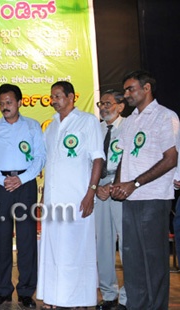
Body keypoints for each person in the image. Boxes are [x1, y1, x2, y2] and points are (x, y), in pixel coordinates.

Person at [111, 70, 179, 310]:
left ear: (147, 88)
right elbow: (123, 158)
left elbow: (171, 159)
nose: (127, 94)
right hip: (130, 199)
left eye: (131, 89)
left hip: (153, 198)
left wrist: (135, 183)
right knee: (132, 261)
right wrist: (119, 184)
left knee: (154, 261)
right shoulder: (130, 121)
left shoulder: (165, 116)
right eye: (126, 90)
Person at [37, 81, 104, 309]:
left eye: (58, 96)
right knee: (54, 250)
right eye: (52, 97)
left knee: (76, 251)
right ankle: (55, 298)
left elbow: (98, 158)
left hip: (77, 199)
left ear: (71, 97)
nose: (54, 100)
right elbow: (50, 164)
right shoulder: (51, 126)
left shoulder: (87, 121)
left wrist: (91, 192)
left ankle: (78, 300)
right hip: (54, 202)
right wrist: (44, 194)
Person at [0, 84, 45, 308]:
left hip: (25, 186)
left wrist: (22, 179)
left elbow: (40, 158)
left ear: (19, 102)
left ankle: (26, 291)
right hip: (0, 186)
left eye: (9, 102)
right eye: (2, 103)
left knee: (27, 240)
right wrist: (2, 180)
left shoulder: (33, 126)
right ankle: (3, 290)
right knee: (2, 238)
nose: (5, 107)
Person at [94, 90, 127, 310]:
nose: (104, 107)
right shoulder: (95, 129)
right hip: (99, 191)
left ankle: (127, 297)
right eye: (101, 103)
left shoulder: (130, 127)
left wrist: (113, 185)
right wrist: (96, 187)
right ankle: (108, 295)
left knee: (126, 244)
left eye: (108, 103)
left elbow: (131, 159)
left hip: (122, 189)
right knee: (102, 244)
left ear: (121, 106)